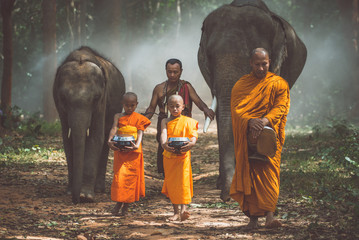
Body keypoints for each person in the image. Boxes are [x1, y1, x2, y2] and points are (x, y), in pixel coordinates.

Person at [230, 48, 290, 229]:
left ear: (269, 62)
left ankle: (270, 217)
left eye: (264, 64)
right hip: (248, 139)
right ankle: (253, 220)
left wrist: (264, 121)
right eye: (257, 64)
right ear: (251, 63)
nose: (261, 68)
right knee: (250, 175)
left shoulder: (279, 84)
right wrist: (250, 121)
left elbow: (281, 107)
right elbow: (236, 110)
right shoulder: (241, 85)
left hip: (269, 139)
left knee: (269, 175)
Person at [143, 58, 215, 175]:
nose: (172, 75)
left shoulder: (186, 87)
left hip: (181, 125)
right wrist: (141, 121)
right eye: (169, 71)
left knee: (182, 148)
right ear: (165, 71)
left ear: (181, 71)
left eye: (175, 72)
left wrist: (206, 110)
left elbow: (198, 101)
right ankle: (167, 177)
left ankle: (181, 176)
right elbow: (151, 109)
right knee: (165, 148)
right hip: (165, 123)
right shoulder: (159, 88)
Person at [108, 92, 151, 216]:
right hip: (120, 151)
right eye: (127, 105)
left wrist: (137, 144)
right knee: (119, 178)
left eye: (132, 105)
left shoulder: (139, 118)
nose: (129, 108)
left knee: (130, 179)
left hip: (133, 152)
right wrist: (110, 140)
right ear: (122, 104)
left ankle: (125, 207)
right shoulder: (118, 116)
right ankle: (118, 203)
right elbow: (114, 128)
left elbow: (140, 132)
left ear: (136, 105)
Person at [160, 95, 198, 221]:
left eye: (177, 106)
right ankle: (175, 212)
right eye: (171, 106)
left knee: (183, 182)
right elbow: (163, 134)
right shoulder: (165, 121)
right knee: (172, 184)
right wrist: (164, 144)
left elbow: (193, 136)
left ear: (183, 106)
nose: (175, 109)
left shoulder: (188, 121)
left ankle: (183, 210)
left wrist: (192, 143)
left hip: (183, 155)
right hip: (169, 155)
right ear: (167, 107)